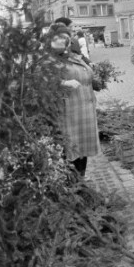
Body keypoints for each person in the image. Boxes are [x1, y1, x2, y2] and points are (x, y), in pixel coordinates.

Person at [41, 24, 100, 177]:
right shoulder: (49, 59)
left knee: (83, 151)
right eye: (62, 38)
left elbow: (84, 72)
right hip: (69, 112)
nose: (66, 41)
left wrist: (92, 78)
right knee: (71, 151)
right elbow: (41, 80)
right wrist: (63, 83)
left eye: (67, 37)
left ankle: (81, 181)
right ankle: (73, 186)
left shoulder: (73, 55)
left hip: (85, 110)